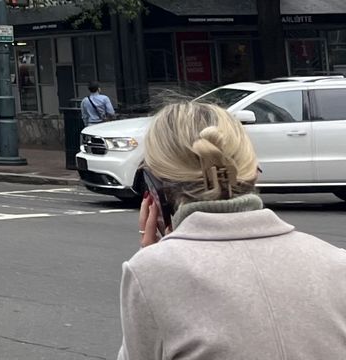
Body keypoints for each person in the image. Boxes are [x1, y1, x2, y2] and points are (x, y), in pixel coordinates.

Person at [115, 99, 346, 359]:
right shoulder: (337, 263)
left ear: (155, 190)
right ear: (253, 171)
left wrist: (154, 253)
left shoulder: (150, 272)